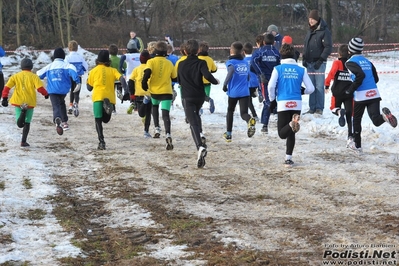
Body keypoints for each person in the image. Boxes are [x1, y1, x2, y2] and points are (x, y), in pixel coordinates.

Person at [345, 37, 397, 154]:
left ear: (350, 50)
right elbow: (376, 78)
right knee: (376, 120)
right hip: (374, 93)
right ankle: (385, 117)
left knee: (357, 120)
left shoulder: (350, 62)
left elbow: (360, 76)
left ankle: (358, 147)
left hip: (361, 95)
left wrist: (350, 89)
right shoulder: (368, 62)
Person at [268, 44, 315, 167]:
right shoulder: (301, 69)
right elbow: (311, 88)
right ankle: (288, 158)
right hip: (297, 104)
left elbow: (271, 86)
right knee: (291, 132)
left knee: (282, 133)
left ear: (281, 55)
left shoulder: (278, 69)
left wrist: (272, 99)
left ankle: (290, 124)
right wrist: (302, 91)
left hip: (283, 103)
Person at [177, 39, 219, 168]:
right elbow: (207, 75)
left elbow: (178, 80)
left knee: (192, 122)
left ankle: (199, 147)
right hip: (200, 96)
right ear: (198, 50)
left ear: (185, 51)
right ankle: (200, 133)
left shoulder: (181, 64)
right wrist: (215, 81)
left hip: (187, 96)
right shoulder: (201, 62)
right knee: (196, 115)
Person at [1, 58, 49, 147]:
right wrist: (46, 94)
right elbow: (40, 88)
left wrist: (4, 98)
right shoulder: (34, 77)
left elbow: (7, 88)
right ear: (31, 67)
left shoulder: (15, 76)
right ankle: (23, 141)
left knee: (19, 124)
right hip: (30, 102)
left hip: (18, 101)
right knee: (27, 122)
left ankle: (22, 112)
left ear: (21, 66)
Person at [87, 50, 128, 150]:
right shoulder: (112, 70)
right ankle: (107, 108)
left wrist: (88, 82)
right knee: (106, 120)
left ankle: (102, 142)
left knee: (98, 120)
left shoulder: (93, 71)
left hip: (97, 97)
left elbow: (89, 88)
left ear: (98, 60)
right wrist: (126, 89)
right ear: (107, 60)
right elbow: (121, 78)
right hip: (110, 98)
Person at [142, 41, 177, 149]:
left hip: (155, 91)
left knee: (155, 108)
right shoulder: (169, 63)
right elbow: (174, 78)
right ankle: (168, 134)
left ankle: (157, 127)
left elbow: (147, 73)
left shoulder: (151, 62)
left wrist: (144, 84)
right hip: (166, 91)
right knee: (166, 114)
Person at [37, 47, 80, 135]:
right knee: (61, 103)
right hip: (63, 90)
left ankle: (57, 119)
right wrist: (78, 82)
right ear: (64, 56)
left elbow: (39, 74)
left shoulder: (49, 66)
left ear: (54, 56)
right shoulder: (67, 65)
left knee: (55, 105)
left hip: (52, 90)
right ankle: (64, 122)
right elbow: (74, 71)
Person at [222, 41, 256, 142]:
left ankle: (228, 134)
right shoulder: (245, 62)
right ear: (242, 51)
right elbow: (248, 76)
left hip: (233, 92)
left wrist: (225, 84)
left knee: (230, 111)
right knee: (243, 113)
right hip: (245, 92)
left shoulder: (230, 62)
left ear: (231, 51)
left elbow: (231, 70)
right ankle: (249, 119)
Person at [302, 9, 332, 115]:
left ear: (317, 19)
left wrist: (321, 60)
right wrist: (304, 58)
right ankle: (312, 107)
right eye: (309, 19)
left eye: (312, 19)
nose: (310, 21)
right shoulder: (310, 31)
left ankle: (319, 108)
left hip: (319, 63)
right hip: (309, 63)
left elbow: (328, 47)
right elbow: (306, 46)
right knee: (311, 86)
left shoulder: (324, 31)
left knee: (319, 86)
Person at [324, 44, 354, 147]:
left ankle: (339, 112)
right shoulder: (352, 63)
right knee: (350, 115)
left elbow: (331, 74)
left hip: (337, 92)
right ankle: (351, 136)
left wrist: (327, 85)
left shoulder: (337, 63)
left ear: (339, 53)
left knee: (333, 108)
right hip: (349, 93)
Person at [250, 33, 280, 134]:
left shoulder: (259, 52)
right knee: (274, 98)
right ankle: (273, 120)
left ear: (263, 42)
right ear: (274, 42)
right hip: (274, 79)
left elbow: (253, 62)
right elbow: (280, 64)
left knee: (267, 101)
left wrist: (260, 73)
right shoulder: (276, 52)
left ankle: (265, 125)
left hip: (264, 80)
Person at [128, 50, 153, 138]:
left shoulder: (136, 69)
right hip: (149, 93)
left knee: (141, 114)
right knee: (148, 113)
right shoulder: (151, 68)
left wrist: (131, 93)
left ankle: (144, 103)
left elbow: (130, 81)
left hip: (139, 93)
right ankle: (146, 131)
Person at [64, 40, 88, 117]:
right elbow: (86, 67)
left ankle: (70, 105)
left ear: (68, 48)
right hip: (78, 76)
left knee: (72, 90)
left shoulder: (67, 58)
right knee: (77, 92)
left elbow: (64, 67)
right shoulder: (80, 57)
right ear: (77, 48)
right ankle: (76, 104)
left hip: (70, 77)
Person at [120, 40, 140, 110]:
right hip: (139, 75)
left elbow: (122, 57)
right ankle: (138, 104)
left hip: (130, 77)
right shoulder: (140, 55)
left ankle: (133, 102)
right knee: (138, 90)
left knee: (131, 90)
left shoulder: (128, 55)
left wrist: (121, 67)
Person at [198, 41, 218, 114]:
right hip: (208, 80)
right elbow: (214, 69)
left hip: (199, 81)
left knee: (199, 96)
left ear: (199, 50)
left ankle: (199, 108)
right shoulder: (210, 59)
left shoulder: (197, 58)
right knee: (206, 95)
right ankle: (209, 100)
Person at [243, 42, 259, 120]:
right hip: (257, 82)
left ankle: (254, 115)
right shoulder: (255, 59)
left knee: (249, 101)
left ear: (244, 52)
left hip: (248, 83)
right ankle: (257, 93)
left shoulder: (243, 61)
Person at [109, 44, 126, 113]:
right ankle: (119, 92)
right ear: (117, 51)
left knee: (111, 94)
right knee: (119, 87)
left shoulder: (109, 60)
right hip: (119, 78)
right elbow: (125, 66)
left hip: (111, 79)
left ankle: (113, 108)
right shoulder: (120, 59)